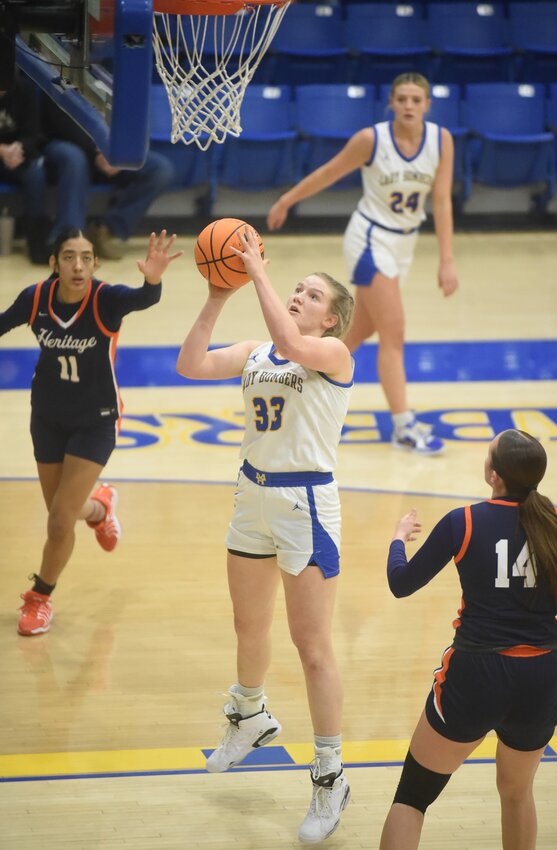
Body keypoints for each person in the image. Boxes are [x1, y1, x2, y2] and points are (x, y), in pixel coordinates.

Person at [176, 227, 355, 843]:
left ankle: (331, 776)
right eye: (296, 288)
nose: (300, 296)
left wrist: (255, 271)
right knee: (248, 626)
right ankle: (249, 716)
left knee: (312, 648)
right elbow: (190, 364)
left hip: (305, 502)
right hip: (252, 494)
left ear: (331, 321)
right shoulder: (258, 350)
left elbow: (287, 335)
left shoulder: (333, 357)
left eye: (311, 294)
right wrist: (217, 292)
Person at [379, 429, 557, 850]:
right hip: (542, 673)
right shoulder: (552, 521)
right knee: (517, 793)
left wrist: (397, 539)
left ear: (493, 475)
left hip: (477, 672)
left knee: (413, 797)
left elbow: (401, 584)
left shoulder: (464, 520)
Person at [0, 228, 182, 636]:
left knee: (60, 521)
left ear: (96, 263)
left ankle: (39, 598)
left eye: (85, 257)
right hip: (46, 415)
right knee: (60, 513)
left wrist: (153, 278)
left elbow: (144, 298)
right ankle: (101, 508)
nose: (78, 265)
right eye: (68, 256)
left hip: (96, 418)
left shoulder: (106, 299)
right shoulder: (36, 299)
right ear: (54, 264)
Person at [267, 71, 459, 455]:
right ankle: (404, 426)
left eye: (415, 100)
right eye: (401, 99)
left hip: (404, 245)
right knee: (394, 335)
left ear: (427, 105)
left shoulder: (442, 140)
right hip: (370, 241)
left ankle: (288, 389)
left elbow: (441, 200)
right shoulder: (372, 139)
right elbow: (329, 172)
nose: (408, 106)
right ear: (390, 103)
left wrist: (446, 259)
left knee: (353, 335)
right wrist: (288, 199)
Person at [37, 94, 175, 260]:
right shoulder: (58, 71)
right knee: (74, 159)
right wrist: (98, 150)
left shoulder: (114, 73)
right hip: (68, 146)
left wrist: (120, 150)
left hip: (108, 151)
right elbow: (57, 122)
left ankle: (107, 230)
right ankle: (69, 238)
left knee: (160, 169)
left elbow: (132, 120)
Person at [0, 73, 51, 262]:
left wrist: (19, 148)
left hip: (18, 155)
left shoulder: (25, 90)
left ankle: (37, 244)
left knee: (35, 173)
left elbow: (33, 134)